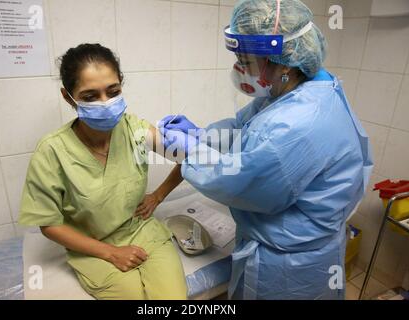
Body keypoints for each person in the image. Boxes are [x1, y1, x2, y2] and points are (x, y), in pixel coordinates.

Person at [159, 0, 373, 300]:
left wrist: (192, 152)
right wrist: (200, 135)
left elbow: (239, 181)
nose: (238, 68)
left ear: (283, 60)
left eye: (245, 60)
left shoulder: (297, 123)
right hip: (292, 245)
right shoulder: (298, 88)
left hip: (290, 267)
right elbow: (241, 128)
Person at [18, 43, 187, 300]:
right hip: (93, 246)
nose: (105, 103)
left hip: (141, 230)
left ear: (121, 85)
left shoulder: (135, 130)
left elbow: (189, 158)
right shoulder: (52, 151)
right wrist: (110, 252)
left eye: (113, 91)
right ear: (68, 97)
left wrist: (159, 195)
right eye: (90, 96)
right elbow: (49, 224)